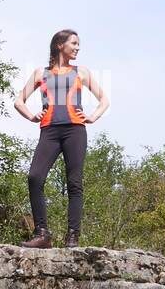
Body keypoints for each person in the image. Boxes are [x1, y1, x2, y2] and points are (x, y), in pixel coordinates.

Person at [12, 29, 109, 248]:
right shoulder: (40, 73)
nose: (77, 48)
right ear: (59, 45)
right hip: (49, 131)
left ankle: (72, 237)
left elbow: (104, 100)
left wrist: (92, 117)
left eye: (78, 44)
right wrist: (31, 115)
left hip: (75, 130)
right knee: (35, 177)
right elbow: (19, 101)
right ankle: (42, 234)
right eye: (73, 43)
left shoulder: (81, 72)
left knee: (74, 182)